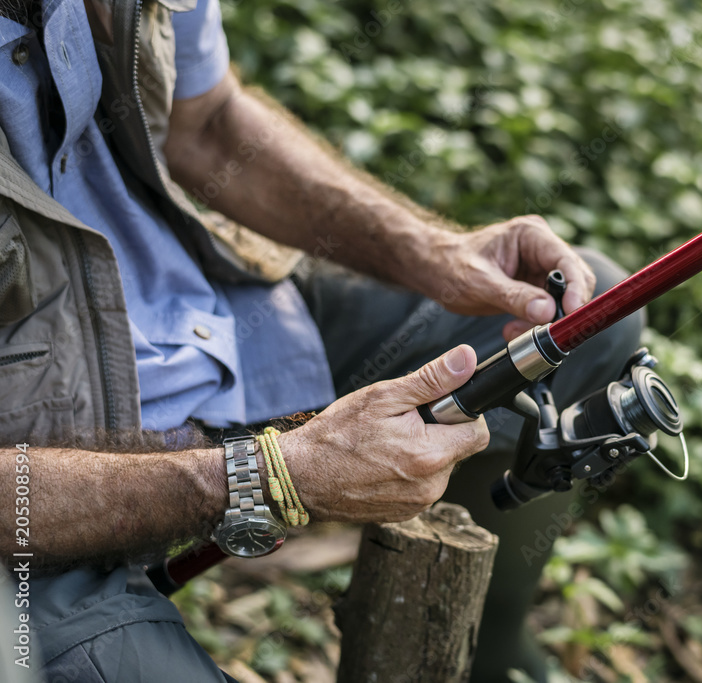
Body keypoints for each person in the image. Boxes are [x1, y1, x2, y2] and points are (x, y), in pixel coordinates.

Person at [0, 0, 642, 681]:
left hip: (209, 325)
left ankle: (492, 651)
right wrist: (264, 476)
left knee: (589, 318)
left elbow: (209, 123)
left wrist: (434, 253)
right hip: (37, 514)